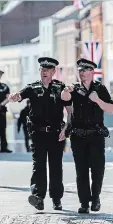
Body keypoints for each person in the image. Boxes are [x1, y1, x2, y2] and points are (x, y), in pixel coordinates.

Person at [8, 57, 72, 211]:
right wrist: (15, 96)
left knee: (56, 166)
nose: (44, 72)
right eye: (42, 69)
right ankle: (38, 197)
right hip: (38, 133)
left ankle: (56, 199)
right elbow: (20, 95)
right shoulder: (33, 87)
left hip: (57, 133)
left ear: (53, 71)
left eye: (47, 70)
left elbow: (70, 111)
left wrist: (67, 129)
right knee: (39, 166)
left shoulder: (60, 87)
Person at [61, 58, 113, 214]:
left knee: (97, 169)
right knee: (81, 171)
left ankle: (95, 197)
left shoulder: (100, 89)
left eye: (84, 71)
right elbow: (64, 99)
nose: (81, 73)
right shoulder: (74, 89)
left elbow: (111, 109)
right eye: (80, 71)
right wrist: (65, 91)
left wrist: (97, 100)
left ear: (92, 72)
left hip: (96, 135)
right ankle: (84, 202)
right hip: (78, 136)